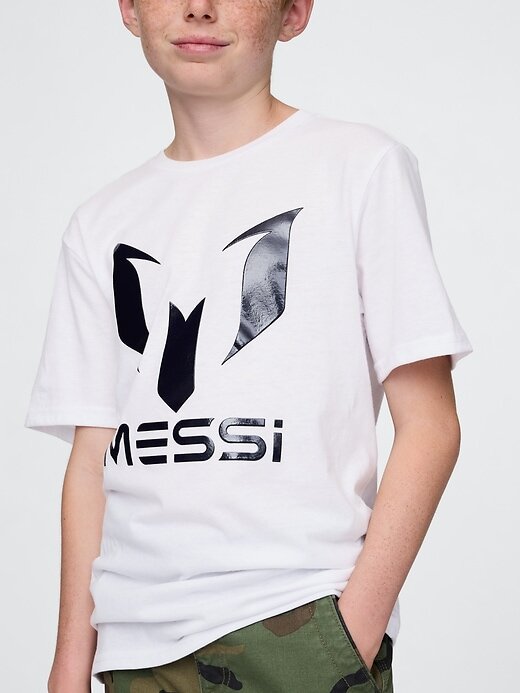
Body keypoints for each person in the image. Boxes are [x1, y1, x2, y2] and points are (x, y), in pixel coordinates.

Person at [24, 1, 474, 691]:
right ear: (130, 9)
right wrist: (69, 666)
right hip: (132, 646)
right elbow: (93, 457)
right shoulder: (100, 222)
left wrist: (348, 638)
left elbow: (431, 424)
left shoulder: (358, 166)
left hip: (296, 623)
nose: (199, 8)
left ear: (293, 13)